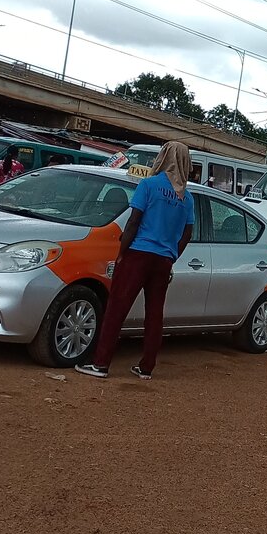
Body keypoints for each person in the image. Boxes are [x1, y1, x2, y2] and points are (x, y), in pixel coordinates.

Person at [76, 141, 195, 381]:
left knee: (116, 309)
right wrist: (172, 256)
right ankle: (146, 366)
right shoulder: (187, 197)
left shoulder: (149, 185)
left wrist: (121, 253)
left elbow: (133, 222)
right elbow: (187, 233)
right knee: (154, 314)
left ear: (163, 157)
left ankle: (100, 364)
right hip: (163, 261)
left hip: (138, 254)